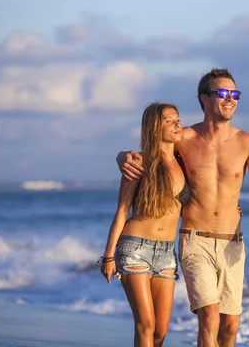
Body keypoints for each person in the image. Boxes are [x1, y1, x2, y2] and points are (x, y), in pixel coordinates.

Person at [118, 68, 249, 347]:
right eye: (222, 93)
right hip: (195, 240)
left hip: (232, 243)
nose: (230, 99)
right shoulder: (184, 139)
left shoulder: (246, 142)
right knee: (209, 318)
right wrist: (122, 157)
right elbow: (152, 148)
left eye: (234, 94)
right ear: (204, 99)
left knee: (229, 326)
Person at [101, 102, 188, 347]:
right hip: (134, 249)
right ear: (154, 128)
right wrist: (108, 256)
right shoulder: (139, 162)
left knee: (160, 331)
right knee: (146, 324)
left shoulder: (184, 164)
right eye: (169, 121)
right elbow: (121, 210)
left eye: (177, 119)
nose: (177, 124)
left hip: (166, 254)